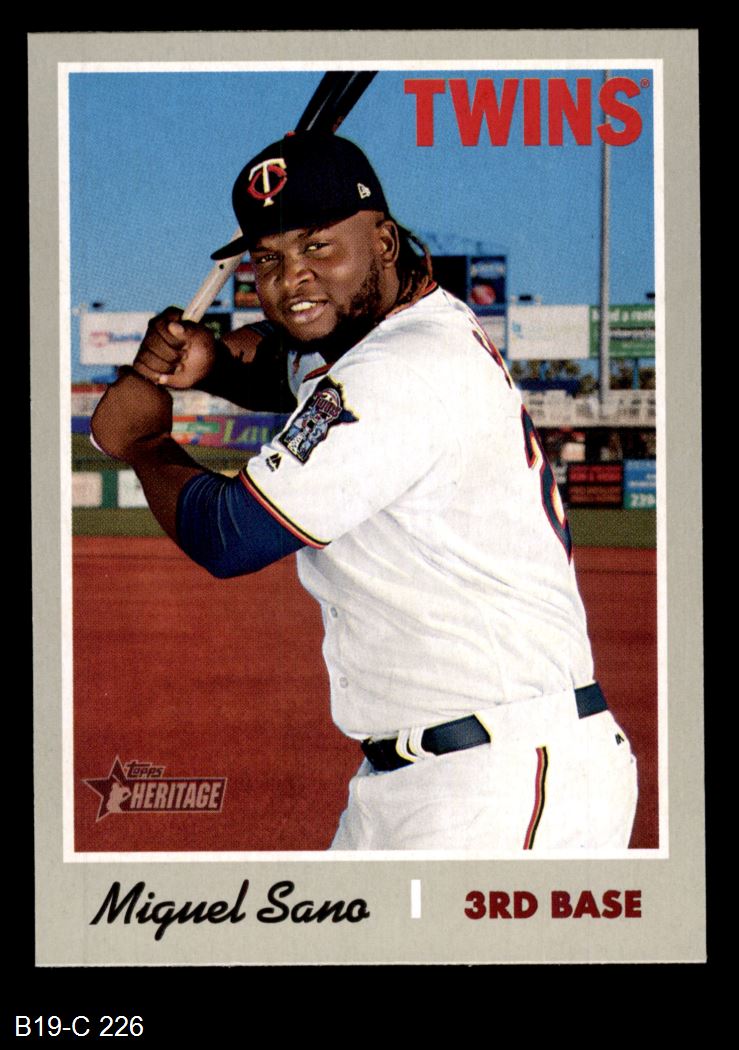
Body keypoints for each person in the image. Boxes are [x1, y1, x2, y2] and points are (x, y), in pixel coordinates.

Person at [91, 131, 638, 851]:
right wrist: (215, 361)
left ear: (383, 241)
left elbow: (231, 535)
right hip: (440, 775)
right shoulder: (398, 330)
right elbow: (284, 365)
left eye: (318, 246)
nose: (293, 281)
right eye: (269, 259)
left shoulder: (400, 369)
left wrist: (144, 442)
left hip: (498, 782)